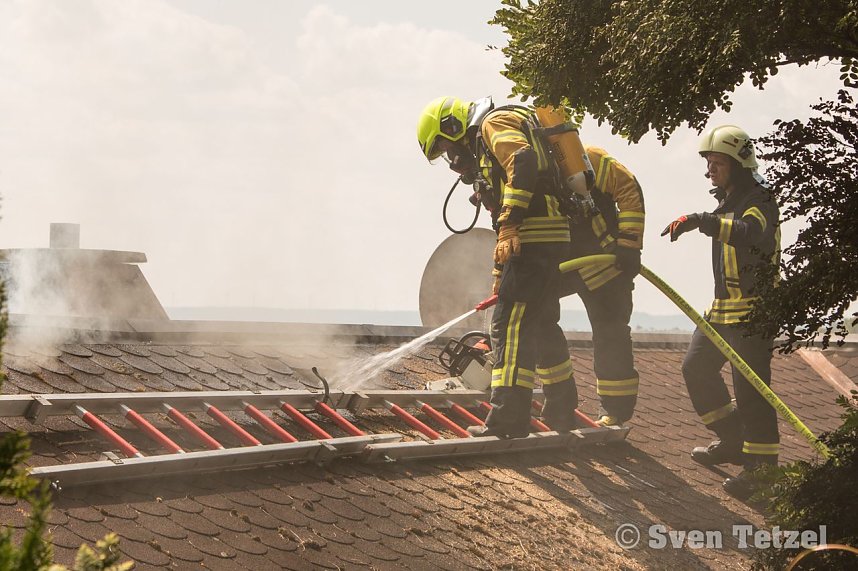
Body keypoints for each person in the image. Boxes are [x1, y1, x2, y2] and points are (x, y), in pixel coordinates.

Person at [416, 96, 579, 437]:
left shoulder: (493, 124)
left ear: (453, 126)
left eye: (446, 148)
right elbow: (504, 213)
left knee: (508, 327)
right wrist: (499, 272)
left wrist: (511, 222)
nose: (451, 160)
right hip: (549, 237)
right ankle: (562, 412)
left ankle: (508, 420)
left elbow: (523, 160)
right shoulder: (490, 146)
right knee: (543, 324)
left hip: (534, 237)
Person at [661, 125, 781, 500]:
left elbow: (750, 232)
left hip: (753, 314)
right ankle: (733, 441)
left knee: (752, 393)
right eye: (709, 162)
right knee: (695, 369)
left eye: (718, 163)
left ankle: (763, 473)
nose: (710, 170)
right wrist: (706, 218)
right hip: (722, 311)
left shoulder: (759, 200)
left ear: (739, 165)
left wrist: (701, 220)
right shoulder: (729, 199)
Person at [567, 146, 645, 427]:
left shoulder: (582, 157)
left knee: (610, 334)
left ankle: (615, 411)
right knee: (530, 318)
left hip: (603, 264)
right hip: (559, 262)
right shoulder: (519, 166)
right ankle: (555, 403)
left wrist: (629, 244)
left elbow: (628, 188)